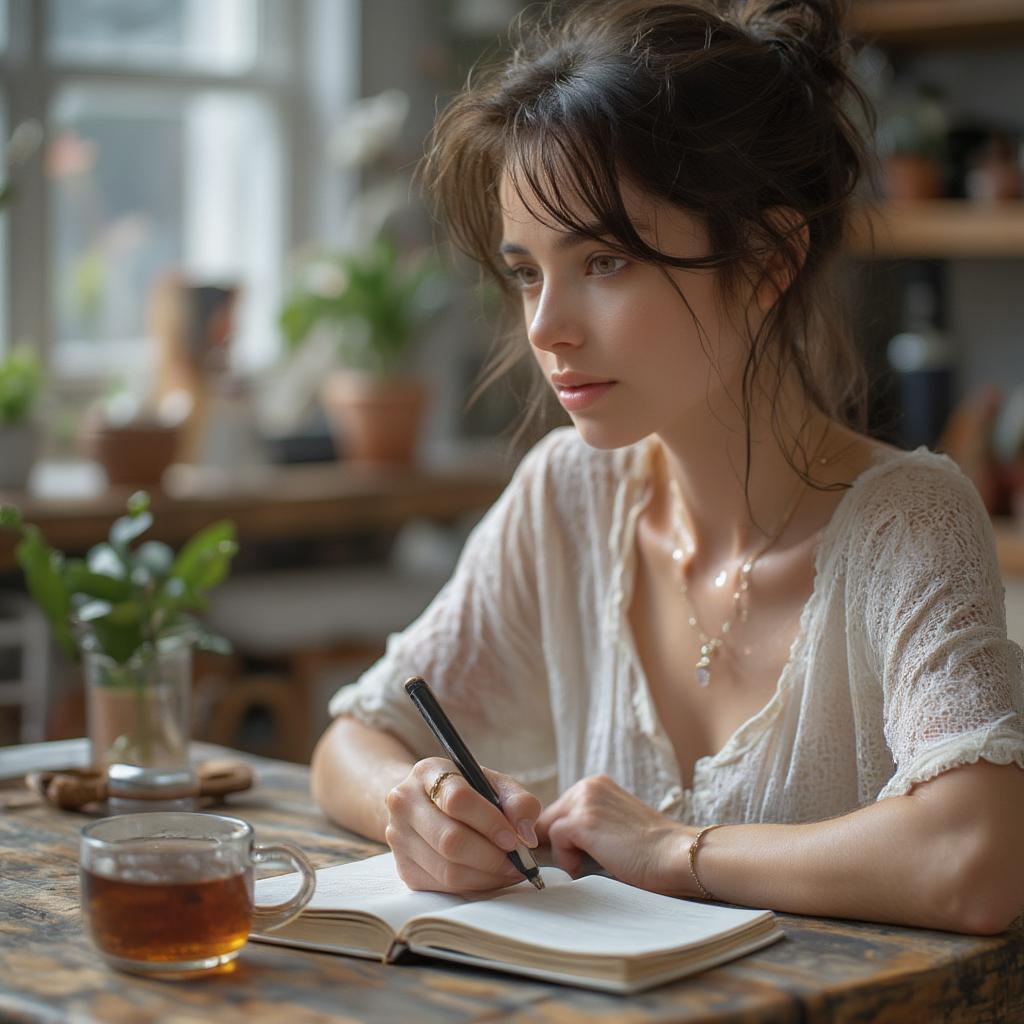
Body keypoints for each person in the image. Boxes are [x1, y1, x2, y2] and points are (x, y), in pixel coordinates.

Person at [311, 0, 1024, 934]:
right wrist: (420, 806)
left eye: (604, 261)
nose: (545, 327)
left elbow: (979, 857)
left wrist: (675, 852)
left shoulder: (906, 523)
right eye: (528, 272)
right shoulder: (569, 496)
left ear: (768, 259)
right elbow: (351, 742)